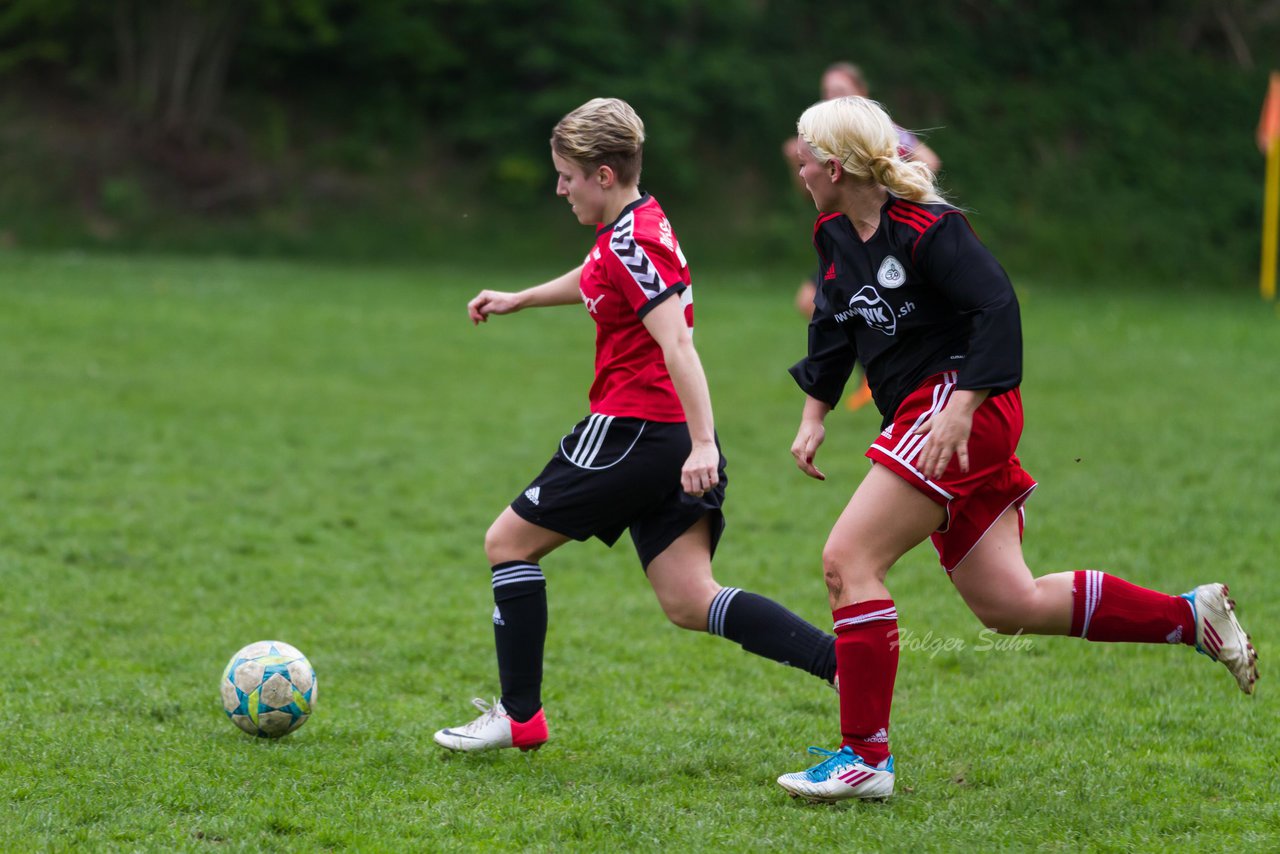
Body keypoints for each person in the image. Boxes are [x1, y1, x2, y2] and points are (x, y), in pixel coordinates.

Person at [774, 96, 1259, 802]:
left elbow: (997, 306)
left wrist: (962, 407)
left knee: (848, 561)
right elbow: (834, 325)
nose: (798, 164)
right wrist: (814, 412)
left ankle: (864, 758)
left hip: (964, 404)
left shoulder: (929, 229)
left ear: (840, 166)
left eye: (806, 153)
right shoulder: (833, 234)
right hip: (932, 409)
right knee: (1009, 602)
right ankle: (1193, 617)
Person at [434, 97, 838, 754]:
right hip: (666, 439)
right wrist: (521, 299)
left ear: (601, 173)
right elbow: (599, 276)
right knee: (688, 599)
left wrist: (705, 441)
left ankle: (519, 715)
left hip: (634, 430)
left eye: (566, 174)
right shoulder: (636, 225)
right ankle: (845, 664)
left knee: (507, 543)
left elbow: (678, 343)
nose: (559, 187)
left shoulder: (635, 243)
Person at [784, 62, 942, 411]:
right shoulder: (824, 136)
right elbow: (812, 192)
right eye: (827, 92)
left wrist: (895, 188)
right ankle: (871, 369)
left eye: (839, 92)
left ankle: (877, 369)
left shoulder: (880, 131)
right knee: (814, 303)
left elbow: (930, 161)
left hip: (880, 238)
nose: (830, 99)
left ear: (862, 93)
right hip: (846, 237)